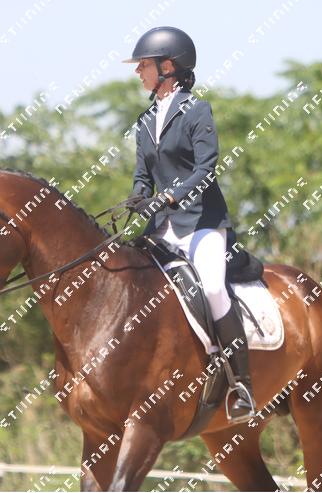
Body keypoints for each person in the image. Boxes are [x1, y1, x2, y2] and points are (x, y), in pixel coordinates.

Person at [123, 26, 256, 423]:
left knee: (212, 288)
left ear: (168, 66)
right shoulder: (146, 120)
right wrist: (138, 196)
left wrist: (170, 196)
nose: (138, 72)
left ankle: (241, 385)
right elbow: (142, 175)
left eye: (143, 65)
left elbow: (205, 169)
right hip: (161, 228)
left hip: (201, 222)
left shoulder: (197, 110)